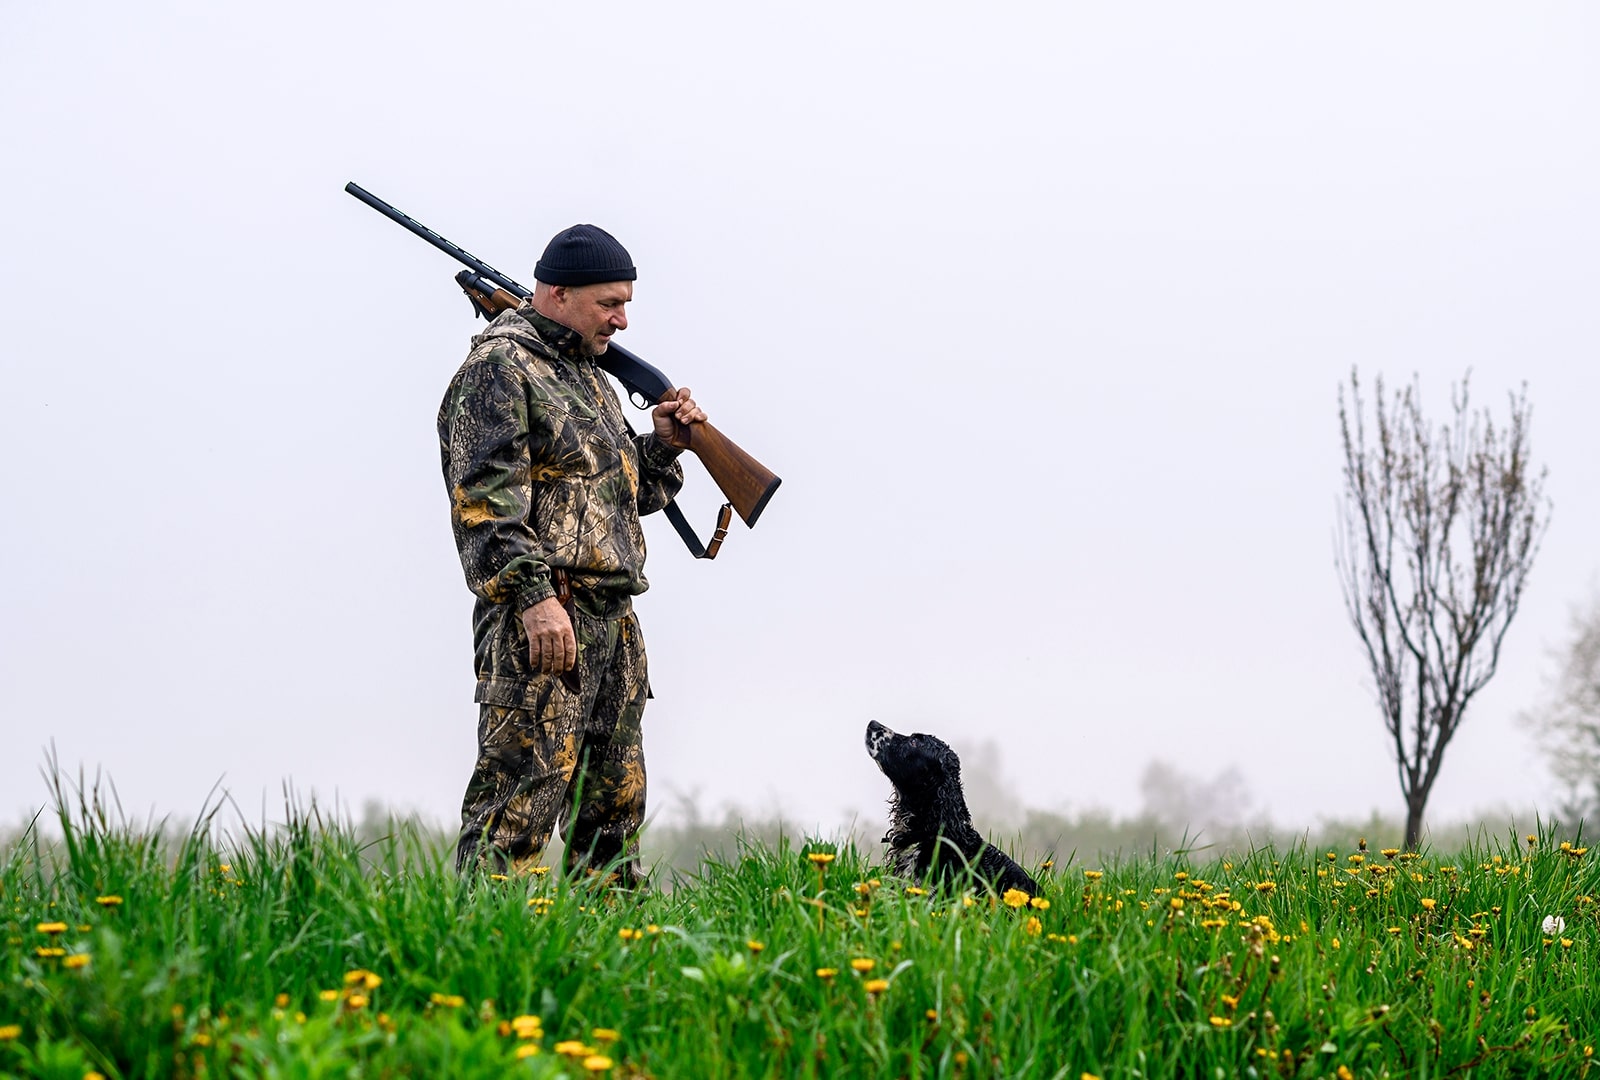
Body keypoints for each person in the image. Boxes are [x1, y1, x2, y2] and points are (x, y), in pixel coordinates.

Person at [437, 223, 705, 884]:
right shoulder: (499, 366)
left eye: (626, 304)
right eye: (609, 303)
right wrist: (533, 600)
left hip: (612, 619)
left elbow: (612, 494)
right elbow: (484, 502)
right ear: (556, 294)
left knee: (612, 820)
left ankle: (615, 961)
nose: (621, 319)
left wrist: (664, 445)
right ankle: (490, 966)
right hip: (546, 616)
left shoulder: (587, 373)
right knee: (516, 814)